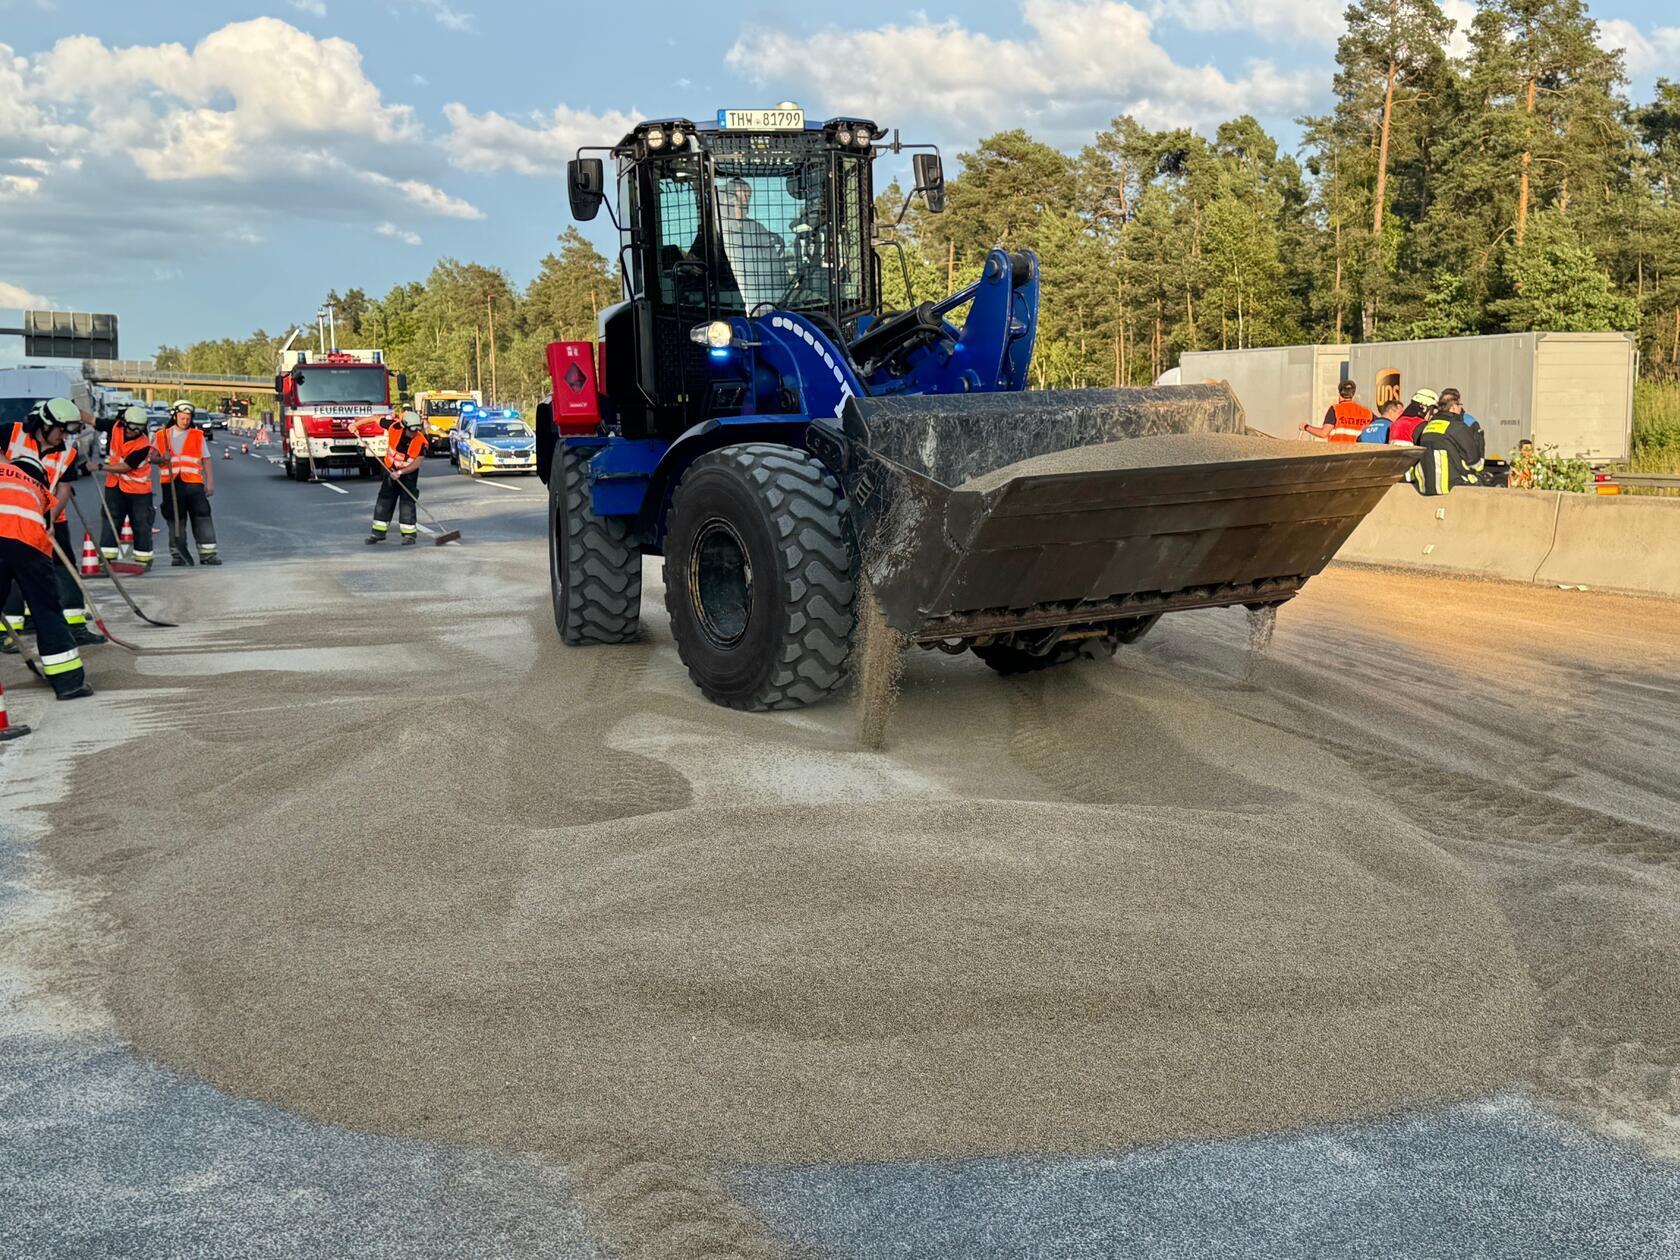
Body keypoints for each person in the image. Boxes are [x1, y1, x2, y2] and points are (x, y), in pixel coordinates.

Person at [2, 398, 103, 646]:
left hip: (48, 519)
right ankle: (9, 631)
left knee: (63, 568)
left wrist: (50, 517)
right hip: (10, 517)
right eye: (61, 430)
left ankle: (76, 626)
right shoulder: (10, 433)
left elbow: (64, 488)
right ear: (45, 424)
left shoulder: (67, 451)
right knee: (11, 570)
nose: (64, 436)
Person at [0, 453, 94, 699]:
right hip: (28, 546)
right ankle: (68, 684)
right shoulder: (39, 490)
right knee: (47, 612)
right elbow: (47, 527)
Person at [154, 401, 219, 566]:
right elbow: (151, 457)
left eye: (188, 418)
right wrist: (162, 458)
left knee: (202, 515)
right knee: (175, 518)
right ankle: (177, 554)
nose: (185, 421)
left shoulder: (197, 435)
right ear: (175, 416)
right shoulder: (162, 436)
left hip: (193, 483)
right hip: (171, 483)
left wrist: (210, 483)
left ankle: (208, 554)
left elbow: (206, 459)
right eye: (182, 417)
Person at [716, 176, 788, 312]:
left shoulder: (757, 228)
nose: (746, 200)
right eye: (742, 194)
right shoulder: (715, 231)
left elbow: (776, 267)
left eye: (748, 195)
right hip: (726, 301)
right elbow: (694, 264)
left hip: (763, 299)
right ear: (728, 199)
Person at [100, 406, 157, 568]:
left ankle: (143, 559)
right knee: (111, 521)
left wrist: (99, 467)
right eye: (133, 428)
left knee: (141, 524)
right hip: (114, 486)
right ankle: (107, 559)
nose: (135, 432)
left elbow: (126, 466)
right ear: (124, 423)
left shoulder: (143, 444)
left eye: (140, 428)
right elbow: (92, 420)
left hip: (138, 491)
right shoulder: (115, 427)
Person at [367, 411, 428, 545]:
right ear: (404, 426)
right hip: (390, 469)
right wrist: (355, 425)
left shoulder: (421, 441)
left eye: (417, 429)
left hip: (408, 473)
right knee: (384, 500)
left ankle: (409, 535)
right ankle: (378, 533)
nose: (415, 433)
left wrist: (400, 473)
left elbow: (417, 463)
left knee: (407, 501)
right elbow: (375, 418)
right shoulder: (394, 427)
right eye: (412, 430)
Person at [1409, 405, 1487, 496]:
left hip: (1424, 486)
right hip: (1449, 486)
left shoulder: (1425, 428)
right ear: (1453, 407)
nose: (1461, 410)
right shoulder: (1457, 427)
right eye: (1459, 407)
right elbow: (1475, 463)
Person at [1301, 380, 1374, 443]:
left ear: (1339, 394)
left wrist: (1306, 427)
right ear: (1353, 395)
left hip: (1338, 453)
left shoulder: (1335, 409)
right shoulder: (1367, 412)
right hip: (1358, 455)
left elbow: (1323, 433)